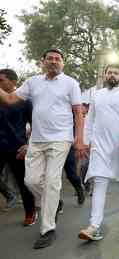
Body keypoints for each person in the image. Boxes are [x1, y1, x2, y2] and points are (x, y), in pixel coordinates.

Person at [0, 49, 85, 249]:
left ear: (63, 63)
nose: (54, 61)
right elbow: (11, 100)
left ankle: (48, 229)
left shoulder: (71, 83)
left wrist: (79, 139)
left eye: (58, 59)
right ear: (42, 62)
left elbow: (78, 113)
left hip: (60, 139)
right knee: (30, 181)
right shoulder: (33, 82)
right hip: (37, 140)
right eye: (50, 58)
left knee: (52, 181)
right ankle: (53, 203)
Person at [78, 64, 119, 241]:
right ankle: (94, 226)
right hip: (100, 148)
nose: (112, 75)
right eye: (109, 72)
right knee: (99, 182)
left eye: (116, 72)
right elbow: (90, 121)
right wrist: (86, 142)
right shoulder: (96, 95)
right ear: (104, 75)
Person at [0, 68, 36, 225]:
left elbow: (36, 124)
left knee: (24, 183)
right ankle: (10, 197)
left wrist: (29, 145)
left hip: (18, 148)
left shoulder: (25, 101)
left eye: (1, 80)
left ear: (13, 82)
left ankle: (30, 213)